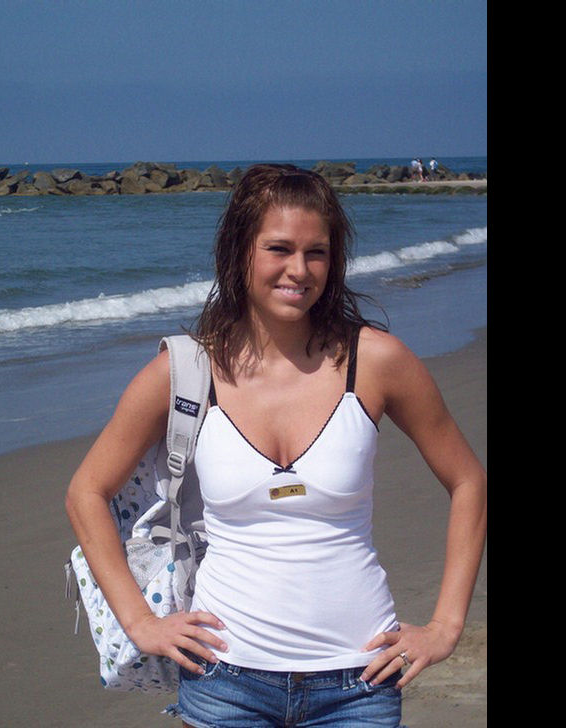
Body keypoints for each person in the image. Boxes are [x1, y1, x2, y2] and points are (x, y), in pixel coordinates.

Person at [65, 164, 487, 727]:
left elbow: (469, 480)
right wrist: (140, 622)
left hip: (360, 681)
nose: (299, 270)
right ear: (240, 252)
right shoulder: (186, 371)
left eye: (317, 253)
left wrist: (445, 627)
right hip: (223, 680)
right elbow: (86, 492)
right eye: (279, 249)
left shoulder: (375, 362)